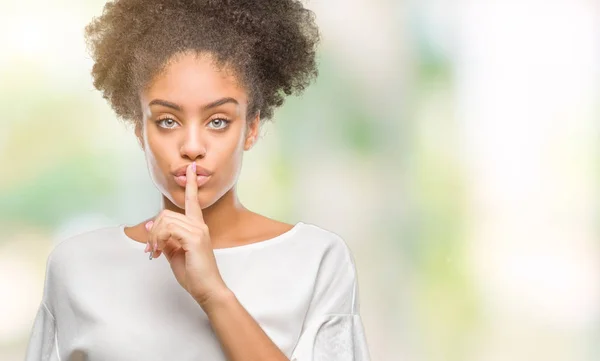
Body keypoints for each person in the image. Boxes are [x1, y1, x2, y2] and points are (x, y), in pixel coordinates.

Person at [24, 0, 371, 360]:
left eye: (218, 121)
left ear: (251, 129)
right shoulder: (77, 267)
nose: (192, 147)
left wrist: (213, 294)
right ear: (140, 130)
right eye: (167, 121)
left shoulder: (316, 260)